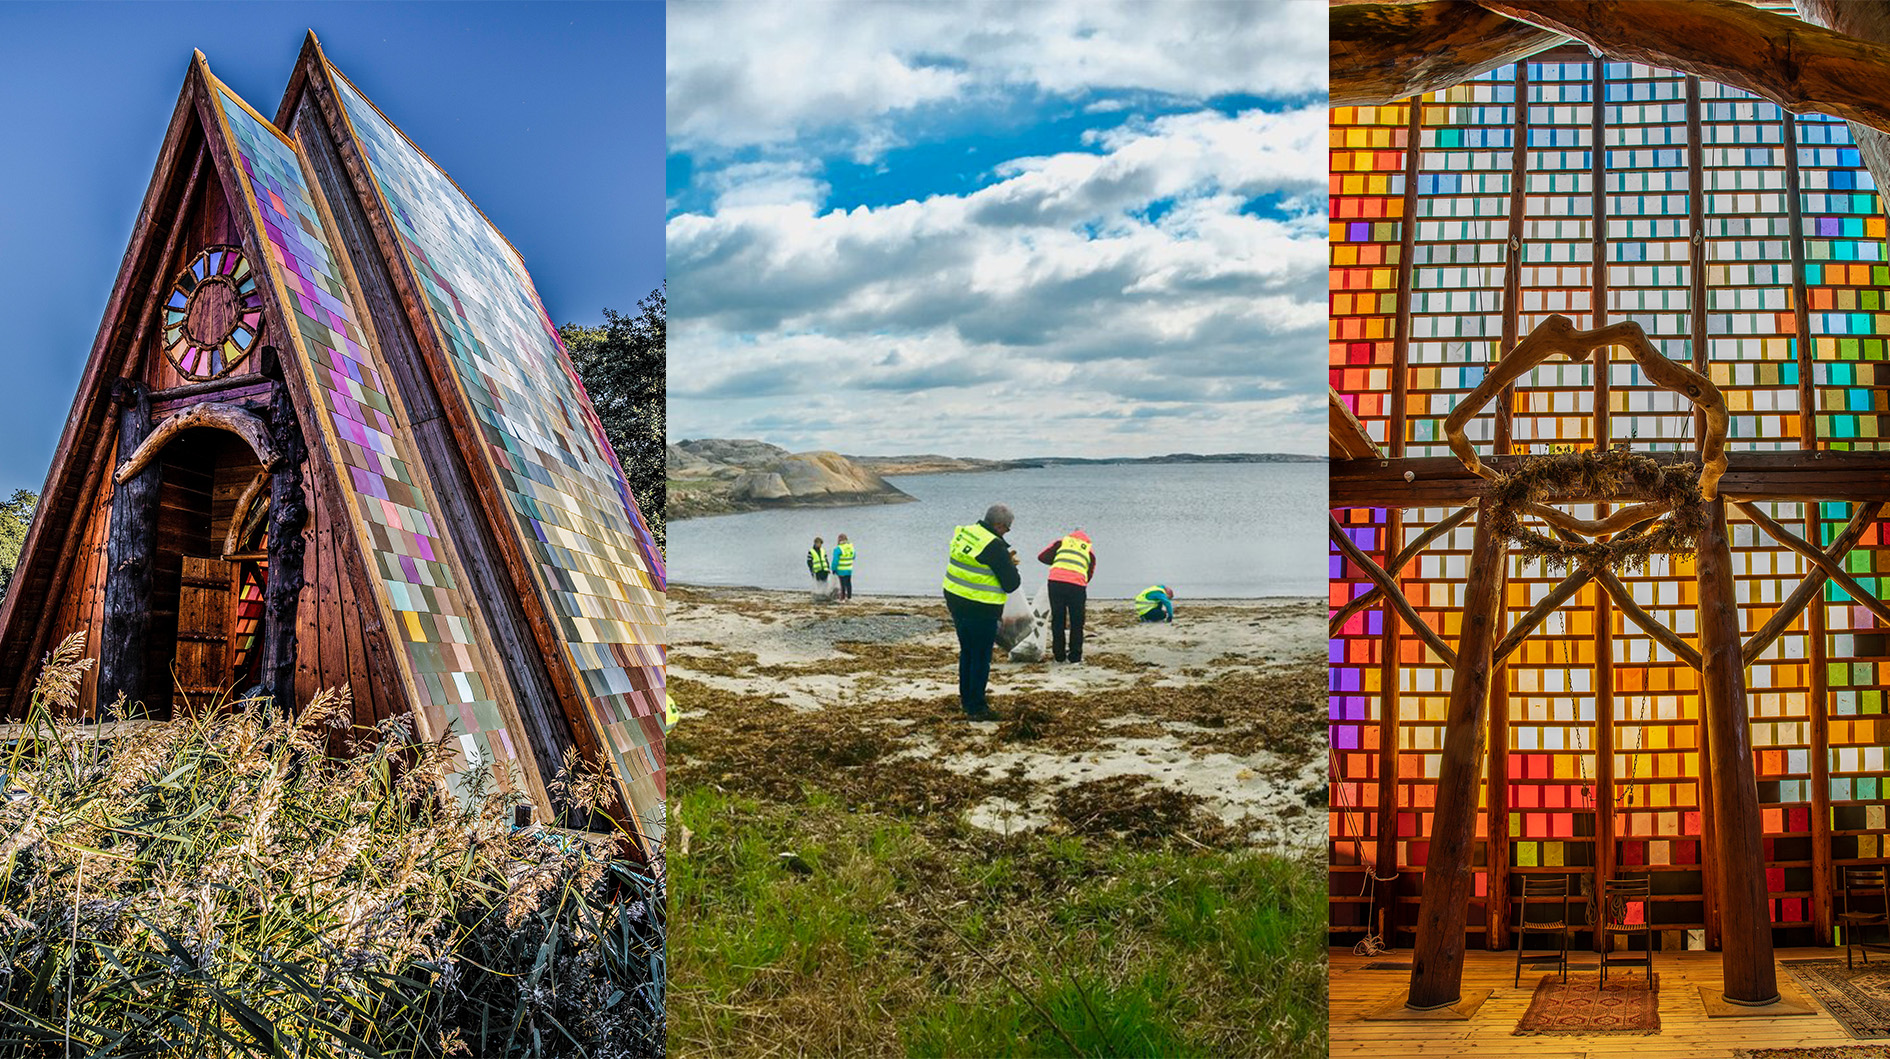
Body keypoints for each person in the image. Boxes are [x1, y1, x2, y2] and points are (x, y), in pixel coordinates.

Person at [942, 504, 1021, 721]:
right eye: (1007, 528)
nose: (1007, 532)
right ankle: (977, 707)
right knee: (980, 657)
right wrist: (1010, 564)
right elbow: (1012, 583)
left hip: (956, 600)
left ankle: (967, 699)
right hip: (980, 607)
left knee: (967, 652)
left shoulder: (966, 532)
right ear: (997, 525)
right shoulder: (994, 547)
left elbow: (975, 563)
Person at [1037, 528, 1094, 663]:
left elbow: (1042, 557)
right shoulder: (1088, 549)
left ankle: (1059, 656)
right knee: (1077, 621)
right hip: (1077, 585)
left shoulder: (1061, 542)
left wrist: (1059, 562)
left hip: (1055, 581)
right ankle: (1075, 656)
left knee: (1058, 619)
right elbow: (1089, 573)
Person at [832, 533, 856, 600]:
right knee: (848, 583)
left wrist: (833, 569)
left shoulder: (838, 549)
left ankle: (842, 598)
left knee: (842, 585)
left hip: (841, 569)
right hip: (849, 568)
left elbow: (835, 561)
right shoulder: (851, 547)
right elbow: (854, 557)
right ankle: (849, 597)